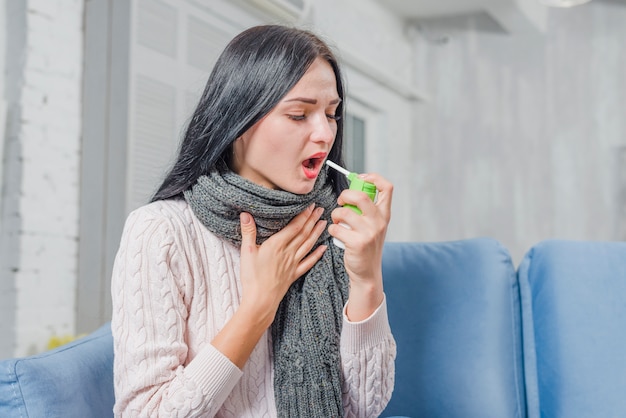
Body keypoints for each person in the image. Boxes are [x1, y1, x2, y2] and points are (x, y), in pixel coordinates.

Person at [111, 24, 396, 417]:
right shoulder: (161, 232)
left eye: (332, 114)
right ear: (238, 120)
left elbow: (365, 405)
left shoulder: (332, 226)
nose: (325, 133)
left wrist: (367, 278)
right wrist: (258, 306)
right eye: (299, 115)